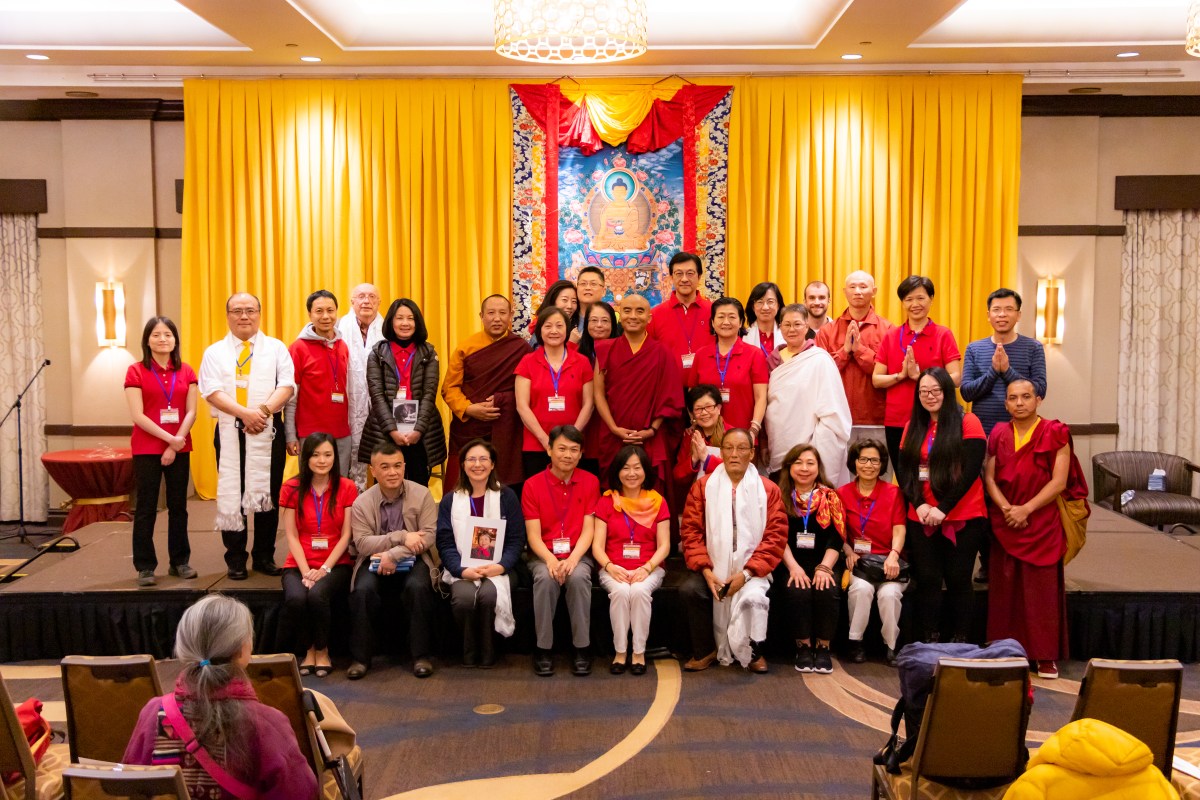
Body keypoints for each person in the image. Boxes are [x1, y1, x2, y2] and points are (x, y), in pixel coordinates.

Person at [123, 594, 317, 800]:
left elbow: (131, 785)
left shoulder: (153, 712)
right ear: (242, 650)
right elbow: (301, 792)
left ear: (184, 648)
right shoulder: (267, 723)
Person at [198, 292, 294, 580]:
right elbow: (211, 391)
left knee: (268, 493)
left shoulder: (276, 348)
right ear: (228, 316)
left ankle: (264, 556)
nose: (244, 316)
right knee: (233, 492)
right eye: (237, 310)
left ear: (259, 314)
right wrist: (245, 414)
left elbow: (287, 386)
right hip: (230, 430)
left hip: (268, 428)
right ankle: (236, 558)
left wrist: (260, 412)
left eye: (250, 310)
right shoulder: (214, 352)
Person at [679, 429, 788, 672]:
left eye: (741, 448)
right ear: (721, 452)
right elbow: (691, 533)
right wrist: (707, 572)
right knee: (691, 590)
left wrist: (746, 574)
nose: (734, 454)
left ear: (752, 453)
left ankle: (752, 652)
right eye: (728, 448)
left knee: (755, 597)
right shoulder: (703, 487)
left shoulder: (768, 489)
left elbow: (775, 537)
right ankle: (705, 650)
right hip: (712, 566)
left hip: (753, 568)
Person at [983, 379, 1071, 679]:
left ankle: (1044, 655)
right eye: (1013, 398)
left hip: (1041, 522)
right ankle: (1004, 649)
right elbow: (989, 477)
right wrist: (1007, 508)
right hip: (1006, 520)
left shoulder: (1055, 432)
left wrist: (1027, 509)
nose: (1019, 403)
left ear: (1038, 400)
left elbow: (1059, 482)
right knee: (1005, 591)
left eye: (1025, 397)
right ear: (1006, 403)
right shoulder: (998, 433)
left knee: (1041, 593)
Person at [896, 367, 988, 644]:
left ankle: (961, 638)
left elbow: (971, 471)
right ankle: (929, 637)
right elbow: (905, 471)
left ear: (948, 391)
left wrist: (944, 508)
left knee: (959, 578)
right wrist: (919, 504)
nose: (930, 396)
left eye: (936, 390)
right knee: (927, 578)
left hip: (963, 513)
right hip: (922, 514)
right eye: (924, 391)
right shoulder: (913, 425)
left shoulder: (968, 421)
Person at [345, 441, 439, 679]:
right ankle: (360, 658)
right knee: (362, 590)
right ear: (373, 470)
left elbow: (428, 537)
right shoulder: (362, 502)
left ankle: (421, 656)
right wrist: (402, 537)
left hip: (413, 558)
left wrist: (392, 555)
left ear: (404, 467)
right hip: (372, 559)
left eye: (397, 466)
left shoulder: (422, 494)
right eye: (385, 467)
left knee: (418, 587)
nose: (392, 472)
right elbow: (362, 543)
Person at [436, 439, 524, 669]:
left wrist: (500, 566)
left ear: (492, 464)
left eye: (483, 459)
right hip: (463, 569)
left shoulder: (507, 497)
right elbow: (445, 543)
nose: (478, 464)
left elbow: (516, 541)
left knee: (488, 596)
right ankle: (469, 650)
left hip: (501, 568)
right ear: (463, 465)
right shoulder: (450, 500)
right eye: (471, 459)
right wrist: (461, 570)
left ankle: (488, 650)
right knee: (464, 599)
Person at [125, 316, 199, 587]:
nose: (162, 339)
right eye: (156, 335)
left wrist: (175, 443)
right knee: (146, 507)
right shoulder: (135, 371)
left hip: (179, 445)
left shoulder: (187, 371)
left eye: (168, 334)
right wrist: (170, 440)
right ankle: (145, 566)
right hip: (147, 448)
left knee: (179, 506)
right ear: (147, 340)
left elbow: (192, 411)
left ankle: (179, 561)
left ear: (175, 340)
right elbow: (138, 415)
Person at [522, 425, 601, 676]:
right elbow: (533, 536)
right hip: (543, 554)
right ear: (549, 450)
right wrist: (550, 560)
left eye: (574, 450)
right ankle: (543, 648)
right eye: (562, 449)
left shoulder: (590, 482)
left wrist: (574, 559)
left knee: (578, 578)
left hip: (579, 553)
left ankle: (582, 648)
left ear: (581, 453)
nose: (568, 455)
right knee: (545, 580)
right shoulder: (532, 485)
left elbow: (589, 529)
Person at [279, 432, 356, 678]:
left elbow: (346, 536)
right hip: (299, 564)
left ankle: (322, 650)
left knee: (317, 595)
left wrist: (324, 570)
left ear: (335, 456)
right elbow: (291, 535)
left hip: (336, 564)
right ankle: (308, 649)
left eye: (327, 454)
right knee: (296, 598)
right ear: (305, 458)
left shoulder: (346, 487)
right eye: (315, 455)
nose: (322, 460)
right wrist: (306, 572)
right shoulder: (291, 488)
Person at [592, 445, 670, 675]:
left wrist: (647, 568)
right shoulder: (607, 501)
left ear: (646, 470)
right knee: (620, 592)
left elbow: (664, 545)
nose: (632, 473)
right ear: (617, 471)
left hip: (649, 567)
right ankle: (620, 651)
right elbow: (597, 546)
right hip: (613, 567)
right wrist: (610, 567)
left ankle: (638, 652)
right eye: (625, 468)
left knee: (638, 591)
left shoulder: (658, 501)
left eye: (637, 467)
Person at [873, 276, 962, 470]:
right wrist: (901, 375)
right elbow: (876, 379)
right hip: (897, 419)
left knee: (935, 474)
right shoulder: (891, 335)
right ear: (902, 303)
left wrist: (920, 377)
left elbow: (956, 378)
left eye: (921, 298)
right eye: (909, 299)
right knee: (903, 475)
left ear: (931, 299)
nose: (915, 304)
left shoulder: (943, 334)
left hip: (934, 418)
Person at [442, 294, 531, 486]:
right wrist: (468, 408)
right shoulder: (466, 347)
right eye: (491, 313)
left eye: (502, 313)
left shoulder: (521, 348)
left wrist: (503, 399)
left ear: (511, 315)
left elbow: (530, 389)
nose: (497, 318)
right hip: (470, 426)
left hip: (506, 427)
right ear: (481, 316)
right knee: (463, 483)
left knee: (502, 484)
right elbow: (449, 387)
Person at [773, 444, 846, 674]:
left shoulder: (830, 496)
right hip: (790, 561)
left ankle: (823, 647)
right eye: (798, 463)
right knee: (798, 590)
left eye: (810, 463)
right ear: (789, 467)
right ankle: (803, 647)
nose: (804, 468)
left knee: (827, 589)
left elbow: (836, 537)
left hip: (825, 560)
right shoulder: (778, 496)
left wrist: (824, 568)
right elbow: (777, 536)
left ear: (818, 468)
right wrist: (793, 567)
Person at [592, 293, 683, 475]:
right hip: (613, 434)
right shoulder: (605, 349)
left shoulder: (662, 352)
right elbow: (598, 393)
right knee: (615, 483)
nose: (633, 316)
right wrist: (613, 428)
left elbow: (669, 397)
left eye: (639, 311)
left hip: (650, 437)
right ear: (620, 315)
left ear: (649, 318)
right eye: (627, 311)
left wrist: (652, 430)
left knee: (650, 484)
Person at [359, 298, 446, 487]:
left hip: (421, 429)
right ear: (391, 321)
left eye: (410, 318)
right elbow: (377, 396)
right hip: (384, 428)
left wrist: (418, 430)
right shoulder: (377, 353)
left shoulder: (428, 352)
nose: (405, 323)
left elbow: (429, 394)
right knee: (386, 482)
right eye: (399, 318)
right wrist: (392, 430)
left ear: (417, 322)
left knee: (418, 482)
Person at [764, 304, 852, 485]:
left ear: (806, 326)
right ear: (780, 327)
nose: (792, 329)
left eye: (797, 324)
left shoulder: (819, 359)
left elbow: (832, 409)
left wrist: (817, 447)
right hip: (778, 442)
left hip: (810, 446)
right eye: (786, 324)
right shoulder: (772, 360)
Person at [838, 439, 907, 666]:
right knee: (861, 589)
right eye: (863, 459)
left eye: (875, 460)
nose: (869, 465)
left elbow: (899, 528)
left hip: (889, 562)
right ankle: (855, 642)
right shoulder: (842, 493)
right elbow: (839, 533)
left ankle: (892, 645)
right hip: (859, 563)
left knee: (889, 595)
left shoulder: (894, 493)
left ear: (882, 464)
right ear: (854, 462)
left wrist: (894, 555)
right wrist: (848, 551)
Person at [515, 306, 594, 478]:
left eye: (559, 326)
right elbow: (522, 406)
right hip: (536, 445)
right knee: (539, 491)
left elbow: (589, 404)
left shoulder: (582, 362)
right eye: (548, 326)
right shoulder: (528, 361)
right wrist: (546, 441)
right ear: (540, 330)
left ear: (567, 330)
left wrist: (570, 439)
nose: (554, 331)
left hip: (573, 446)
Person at [285, 290, 356, 472]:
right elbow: (291, 398)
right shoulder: (298, 348)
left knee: (340, 483)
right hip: (310, 435)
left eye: (330, 310)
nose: (326, 316)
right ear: (310, 314)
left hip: (341, 433)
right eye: (319, 311)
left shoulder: (343, 346)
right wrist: (290, 435)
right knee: (312, 485)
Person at [960, 288, 1048, 435]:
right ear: (988, 315)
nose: (1002, 314)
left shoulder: (1033, 347)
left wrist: (1007, 371)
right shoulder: (974, 348)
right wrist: (993, 371)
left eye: (1009, 309)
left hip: (1022, 432)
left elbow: (1040, 391)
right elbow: (966, 393)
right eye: (996, 310)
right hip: (982, 432)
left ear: (1018, 315)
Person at [814, 270, 894, 431]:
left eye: (863, 287)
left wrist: (859, 350)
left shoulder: (888, 330)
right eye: (852, 287)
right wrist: (844, 351)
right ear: (845, 292)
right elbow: (819, 374)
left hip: (875, 416)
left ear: (874, 291)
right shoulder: (827, 331)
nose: (857, 291)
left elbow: (889, 373)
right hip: (834, 417)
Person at [686, 297, 768, 435]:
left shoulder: (754, 354)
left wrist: (753, 430)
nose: (726, 322)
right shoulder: (701, 354)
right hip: (707, 434)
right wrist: (694, 421)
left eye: (732, 317)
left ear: (740, 322)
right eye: (720, 317)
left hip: (743, 435)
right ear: (713, 322)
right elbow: (692, 394)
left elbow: (761, 397)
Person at [648, 251, 715, 383]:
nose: (684, 279)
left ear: (699, 276)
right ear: (671, 277)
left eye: (690, 273)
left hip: (707, 388)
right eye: (679, 274)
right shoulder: (655, 314)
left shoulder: (714, 312)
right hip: (668, 387)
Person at [340, 283, 384, 485]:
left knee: (381, 450)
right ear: (352, 301)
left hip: (380, 401)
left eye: (372, 297)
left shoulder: (388, 329)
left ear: (379, 302)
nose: (366, 301)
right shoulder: (339, 328)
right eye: (361, 296)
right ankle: (352, 493)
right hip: (347, 400)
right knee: (351, 450)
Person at [673, 384, 730, 484]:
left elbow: (738, 470)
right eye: (698, 409)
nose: (704, 412)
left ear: (719, 408)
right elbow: (678, 476)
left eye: (709, 407)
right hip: (698, 492)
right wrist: (694, 459)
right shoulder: (691, 436)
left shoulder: (732, 434)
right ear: (692, 414)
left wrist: (707, 459)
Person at [743, 281, 786, 358]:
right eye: (760, 302)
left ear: (778, 305)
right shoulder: (743, 337)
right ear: (753, 306)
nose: (765, 307)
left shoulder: (788, 334)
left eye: (770, 302)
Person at [531, 279, 580, 345]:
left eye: (574, 301)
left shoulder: (575, 330)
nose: (570, 306)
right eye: (564, 300)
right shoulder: (542, 330)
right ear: (553, 301)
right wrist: (571, 343)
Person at [570, 266, 608, 344]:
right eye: (583, 284)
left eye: (593, 284)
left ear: (604, 291)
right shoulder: (568, 319)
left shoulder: (611, 320)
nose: (587, 288)